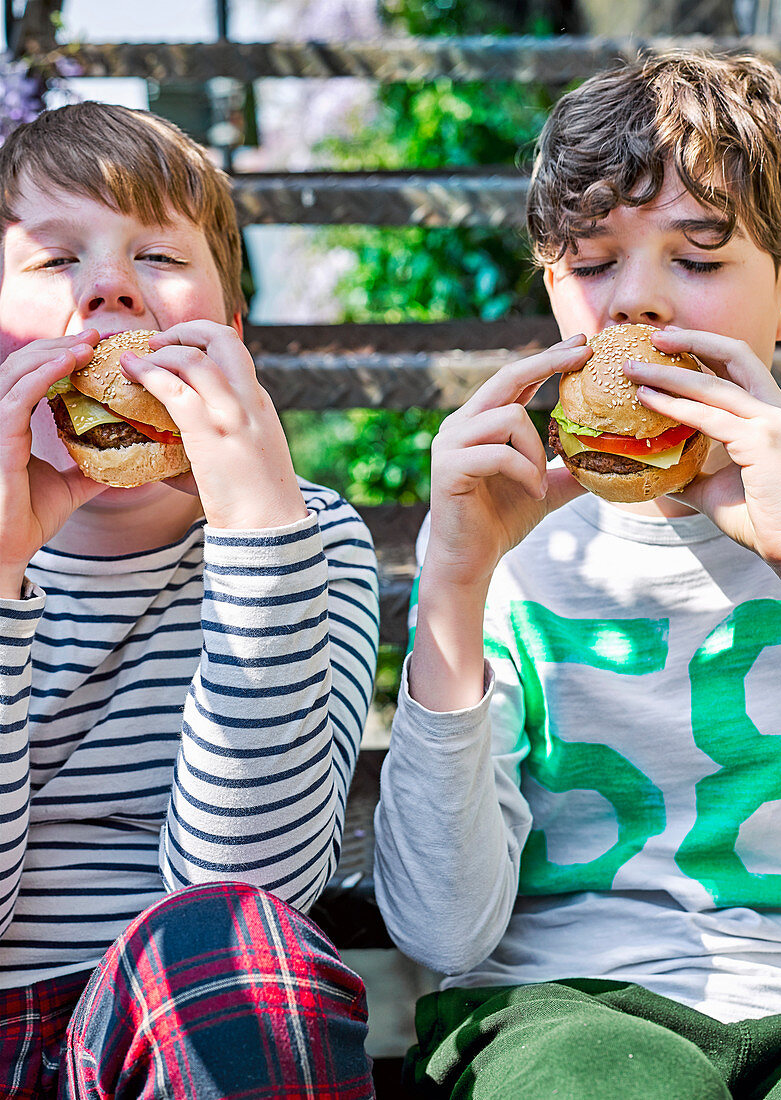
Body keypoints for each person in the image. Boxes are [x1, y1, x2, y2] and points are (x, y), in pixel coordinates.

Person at [374, 51, 781, 1098]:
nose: (636, 308)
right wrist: (452, 584)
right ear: (552, 286)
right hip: (556, 1003)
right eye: (592, 262)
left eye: (698, 260)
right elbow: (438, 922)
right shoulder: (509, 552)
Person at [0, 101, 378, 1098]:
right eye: (54, 260)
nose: (109, 288)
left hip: (183, 1026)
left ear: (231, 334)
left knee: (237, 948)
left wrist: (259, 536)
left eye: (158, 256)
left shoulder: (308, 538)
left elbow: (256, 889)